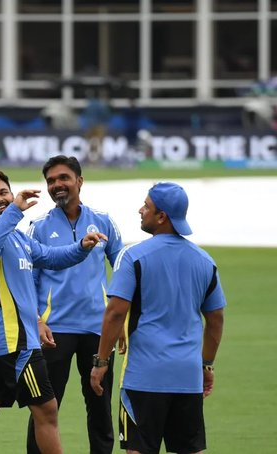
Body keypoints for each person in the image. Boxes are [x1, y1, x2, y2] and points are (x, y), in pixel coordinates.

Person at [0, 170, 107, 454]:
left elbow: (51, 257)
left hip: (5, 343)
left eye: (3, 193)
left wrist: (81, 247)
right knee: (47, 411)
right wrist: (15, 210)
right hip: (15, 343)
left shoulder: (20, 239)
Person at [90, 182, 226, 454]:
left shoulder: (133, 256)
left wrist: (101, 361)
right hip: (187, 376)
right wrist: (206, 365)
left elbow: (115, 312)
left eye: (147, 206)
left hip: (144, 376)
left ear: (161, 216)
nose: (140, 210)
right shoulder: (205, 261)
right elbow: (216, 320)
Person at [26, 155, 124, 454]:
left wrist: (121, 321)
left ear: (79, 181)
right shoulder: (38, 226)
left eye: (63, 178)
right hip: (54, 331)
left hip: (98, 328)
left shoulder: (103, 219)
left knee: (99, 405)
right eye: (51, 181)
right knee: (44, 407)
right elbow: (26, 278)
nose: (57, 185)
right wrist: (37, 321)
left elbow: (122, 269)